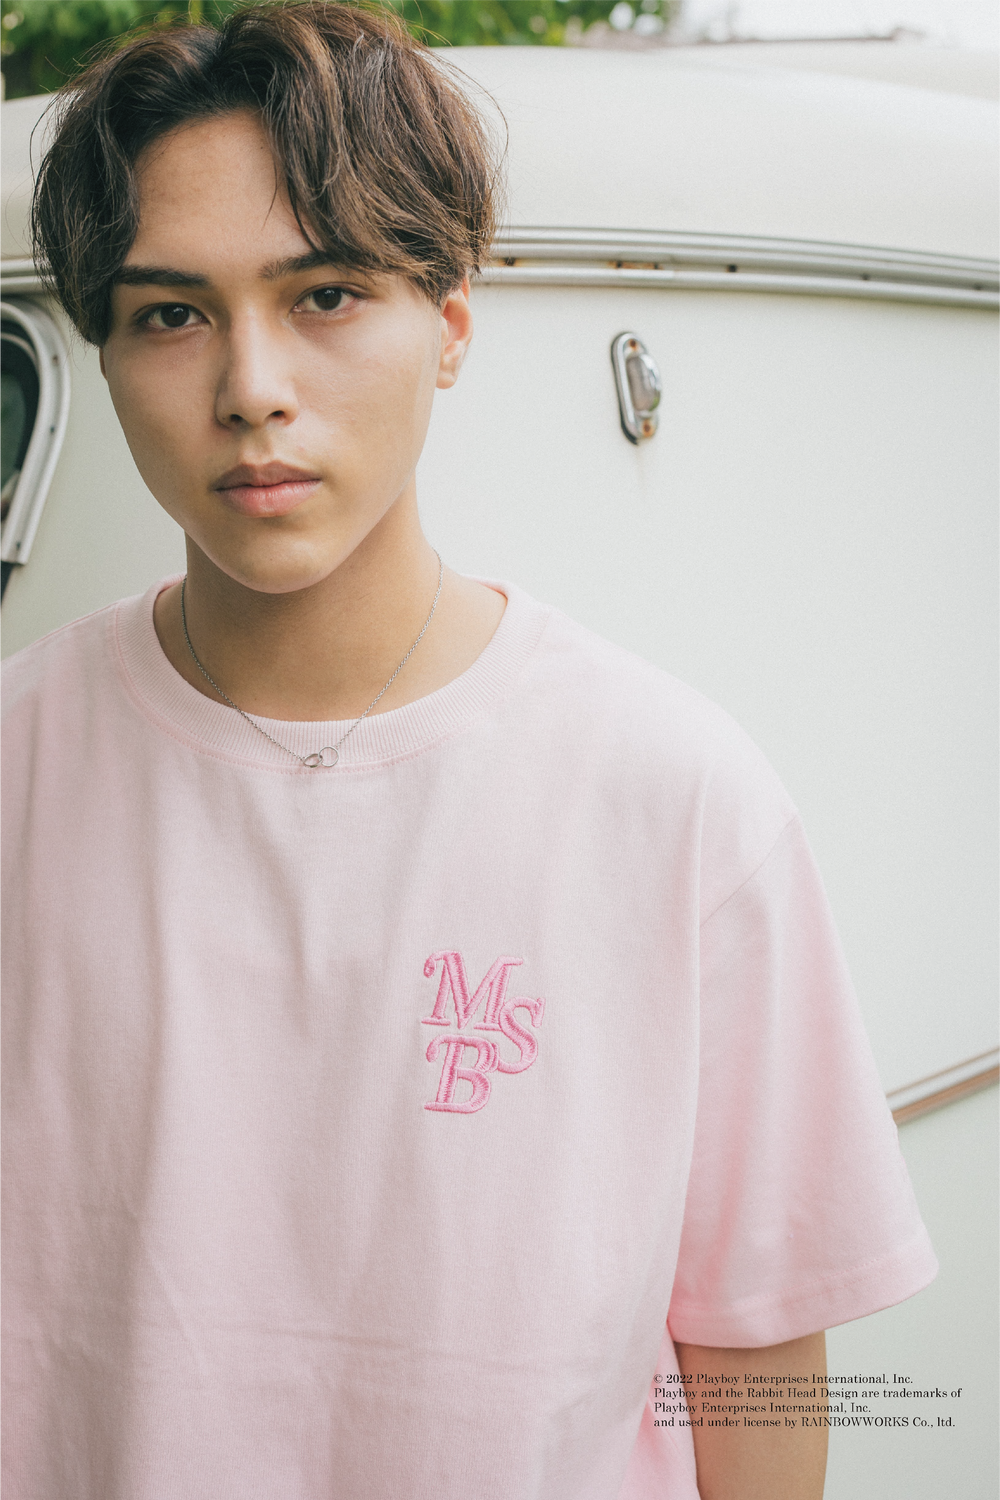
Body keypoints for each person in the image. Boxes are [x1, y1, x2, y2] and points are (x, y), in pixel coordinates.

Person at [1, 5, 936, 1498]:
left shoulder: (674, 798)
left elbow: (752, 1360)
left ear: (447, 329)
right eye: (170, 313)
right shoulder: (21, 766)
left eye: (326, 293)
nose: (251, 387)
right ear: (105, 356)